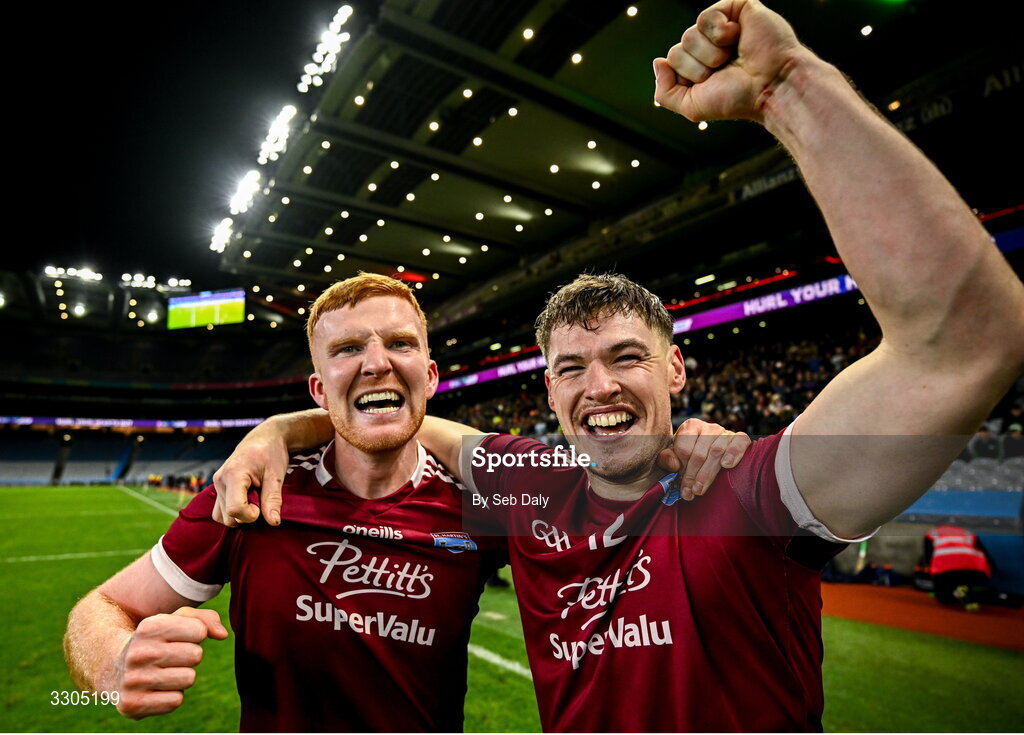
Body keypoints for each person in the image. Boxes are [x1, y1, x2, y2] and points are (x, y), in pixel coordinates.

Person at [216, 0, 1024, 731]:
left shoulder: (750, 491)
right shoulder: (530, 483)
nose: (598, 385)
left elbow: (966, 341)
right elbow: (403, 416)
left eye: (626, 356)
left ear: (676, 369)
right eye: (570, 368)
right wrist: (281, 429)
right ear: (548, 389)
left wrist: (787, 88)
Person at [63, 274, 745, 730]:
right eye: (349, 348)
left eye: (399, 344)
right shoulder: (251, 492)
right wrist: (111, 662)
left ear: (430, 373)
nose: (376, 362)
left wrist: (689, 441)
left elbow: (618, 485)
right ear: (319, 388)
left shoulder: (488, 501)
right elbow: (99, 608)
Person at [924, 525, 993, 612]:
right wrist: (991, 570)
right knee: (966, 583)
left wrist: (933, 576)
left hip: (945, 569)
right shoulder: (968, 532)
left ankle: (956, 594)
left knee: (943, 598)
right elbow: (984, 553)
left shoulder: (931, 533)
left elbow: (928, 558)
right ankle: (970, 597)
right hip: (973, 569)